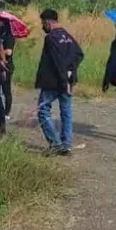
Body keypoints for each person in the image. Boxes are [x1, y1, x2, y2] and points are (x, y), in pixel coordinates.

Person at [34, 8, 84, 155]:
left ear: (48, 22)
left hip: (54, 82)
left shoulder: (51, 38)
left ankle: (56, 144)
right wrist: (70, 72)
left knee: (43, 111)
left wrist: (63, 78)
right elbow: (79, 54)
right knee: (66, 112)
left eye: (43, 23)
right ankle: (66, 145)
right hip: (67, 81)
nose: (42, 26)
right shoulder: (67, 36)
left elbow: (57, 61)